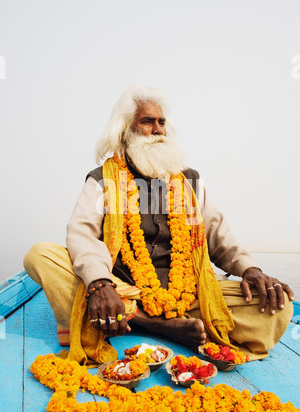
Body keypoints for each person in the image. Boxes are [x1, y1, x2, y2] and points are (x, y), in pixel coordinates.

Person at [24, 85, 294, 362]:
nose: (157, 130)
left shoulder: (187, 180)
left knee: (279, 304)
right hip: (122, 292)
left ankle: (144, 322)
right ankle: (157, 326)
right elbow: (82, 235)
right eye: (147, 121)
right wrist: (100, 284)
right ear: (126, 129)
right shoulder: (103, 179)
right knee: (41, 255)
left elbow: (218, 235)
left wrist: (250, 269)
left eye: (161, 122)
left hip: (189, 296)